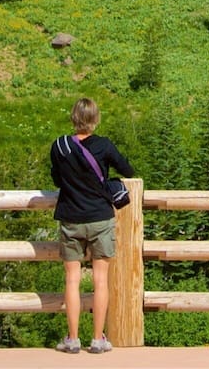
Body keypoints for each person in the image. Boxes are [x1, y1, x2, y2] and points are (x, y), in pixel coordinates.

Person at [49, 98, 135, 354]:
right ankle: (98, 339)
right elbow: (128, 170)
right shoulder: (104, 145)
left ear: (73, 118)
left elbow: (56, 178)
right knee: (100, 281)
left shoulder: (60, 146)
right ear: (95, 119)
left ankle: (73, 338)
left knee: (72, 280)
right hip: (100, 217)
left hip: (71, 217)